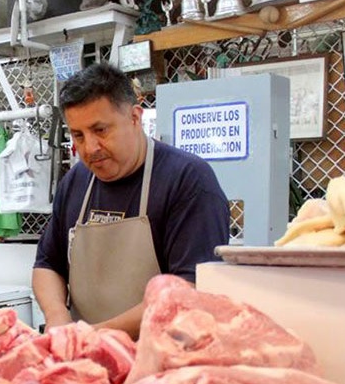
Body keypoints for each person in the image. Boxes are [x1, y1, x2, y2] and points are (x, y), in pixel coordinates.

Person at [33, 62, 230, 338]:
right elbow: (47, 264)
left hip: (162, 359)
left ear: (135, 117)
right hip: (87, 362)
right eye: (78, 135)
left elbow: (189, 291)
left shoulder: (188, 180)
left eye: (100, 130)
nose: (89, 148)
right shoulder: (75, 181)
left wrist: (93, 337)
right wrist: (57, 317)